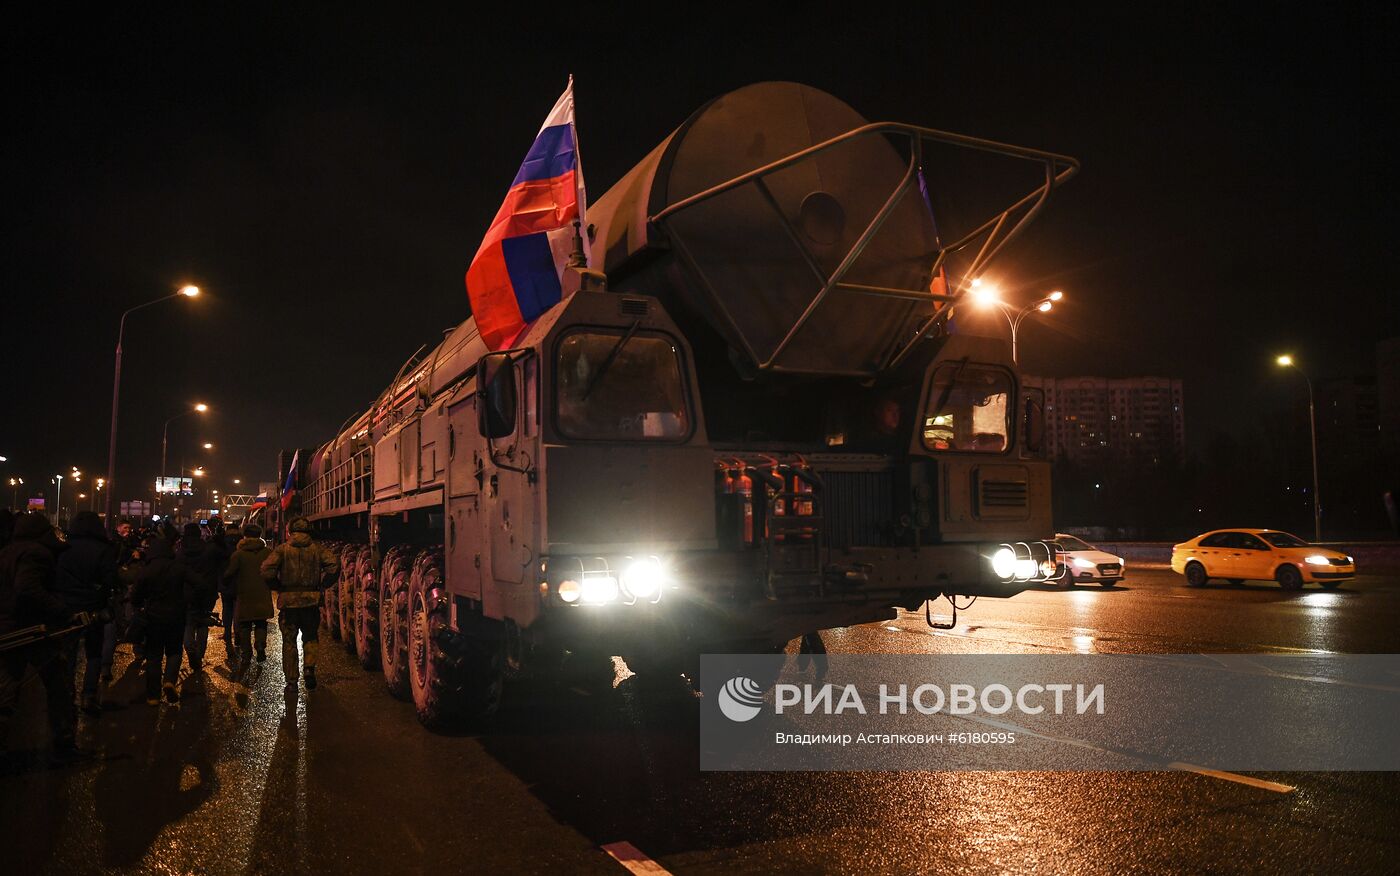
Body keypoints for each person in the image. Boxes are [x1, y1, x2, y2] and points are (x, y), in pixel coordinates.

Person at [0, 512, 87, 766]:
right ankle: (64, 743)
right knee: (59, 686)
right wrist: (62, 611)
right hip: (33, 632)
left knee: (6, 690)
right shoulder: (37, 554)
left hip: (9, 630)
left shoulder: (7, 552)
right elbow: (28, 589)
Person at [260, 517, 337, 692]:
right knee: (310, 636)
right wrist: (323, 585)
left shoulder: (282, 550)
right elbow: (334, 565)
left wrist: (277, 587)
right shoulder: (317, 549)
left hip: (289, 602)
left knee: (289, 641)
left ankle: (292, 682)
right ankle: (309, 668)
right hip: (311, 601)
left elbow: (266, 570)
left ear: (290, 532)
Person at [54, 511, 117, 715]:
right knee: (93, 653)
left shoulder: (63, 548)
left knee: (69, 654)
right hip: (94, 608)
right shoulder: (103, 549)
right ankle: (88, 695)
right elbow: (110, 579)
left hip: (67, 608)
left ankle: (66, 694)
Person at [131, 537, 200, 705]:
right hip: (176, 615)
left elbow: (136, 594)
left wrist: (139, 606)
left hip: (153, 616)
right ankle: (169, 680)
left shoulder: (148, 569)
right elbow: (200, 583)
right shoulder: (179, 567)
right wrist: (187, 598)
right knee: (174, 651)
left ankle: (153, 696)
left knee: (153, 655)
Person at [177, 522, 225, 676]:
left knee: (189, 623)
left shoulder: (180, 552)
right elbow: (222, 560)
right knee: (203, 623)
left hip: (187, 593)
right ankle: (199, 655)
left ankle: (191, 650)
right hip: (206, 592)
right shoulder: (208, 549)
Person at [223, 524, 272, 668]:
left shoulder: (238, 554)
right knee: (261, 622)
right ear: (259, 535)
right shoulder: (267, 552)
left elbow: (230, 573)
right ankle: (261, 645)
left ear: (245, 536)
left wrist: (224, 581)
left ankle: (246, 654)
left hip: (244, 594)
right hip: (263, 593)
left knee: (244, 625)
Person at [217, 523, 242, 655]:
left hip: (225, 581)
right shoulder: (242, 543)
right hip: (239, 582)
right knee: (239, 609)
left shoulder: (221, 543)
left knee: (227, 609)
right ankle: (237, 633)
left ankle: (227, 632)